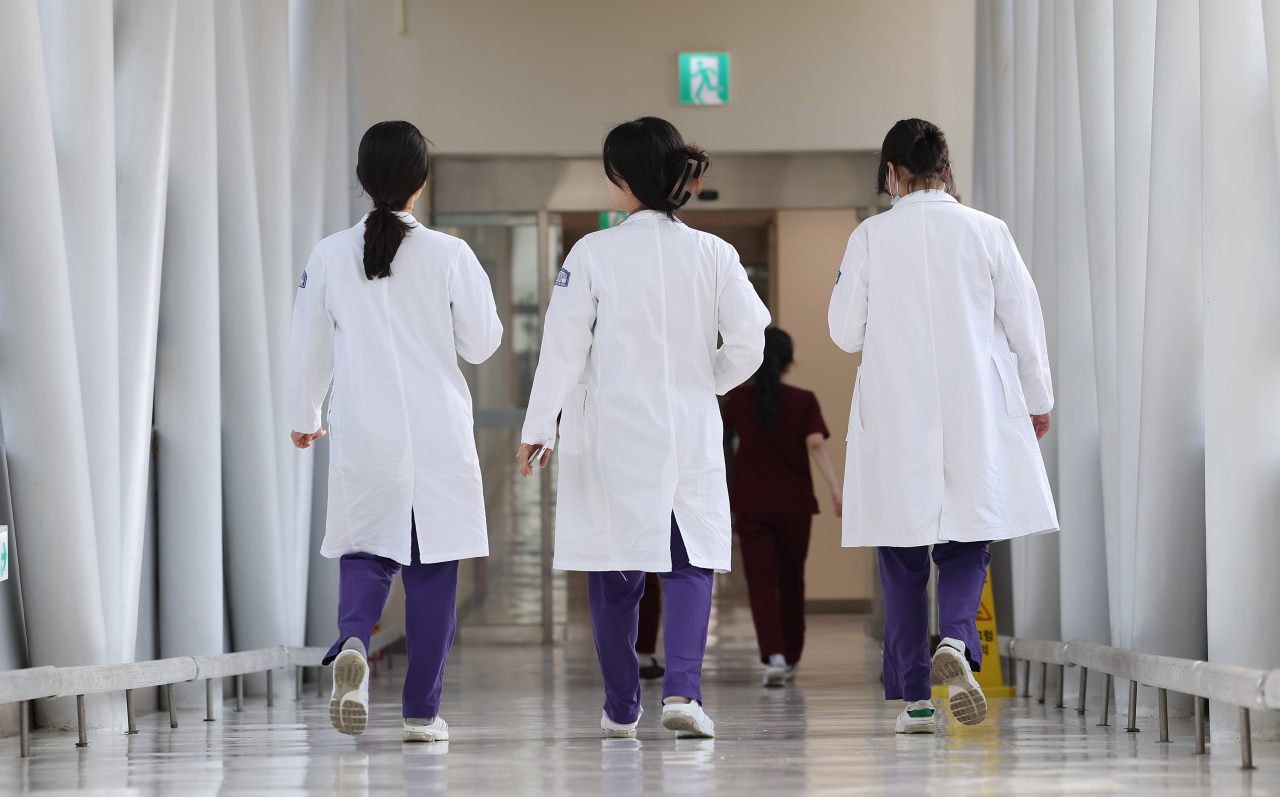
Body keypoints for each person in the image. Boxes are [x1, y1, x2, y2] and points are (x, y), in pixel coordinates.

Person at [517, 116, 770, 740]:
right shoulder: (715, 253)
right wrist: (704, 380)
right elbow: (749, 340)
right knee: (688, 563)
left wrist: (539, 426)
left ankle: (622, 705)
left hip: (613, 432)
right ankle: (682, 692)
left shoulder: (593, 253)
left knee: (613, 568)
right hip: (687, 430)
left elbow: (563, 349)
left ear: (624, 177)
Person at [828, 119, 1056, 735]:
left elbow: (844, 330)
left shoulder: (870, 237)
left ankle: (916, 703)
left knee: (902, 556)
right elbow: (1024, 323)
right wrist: (1038, 398)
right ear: (946, 168)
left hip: (897, 408)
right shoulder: (988, 232)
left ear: (891, 173)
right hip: (972, 404)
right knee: (968, 539)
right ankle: (955, 641)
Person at [290, 120, 502, 742]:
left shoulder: (329, 253)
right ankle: (420, 714)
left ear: (363, 179)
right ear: (421, 180)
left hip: (364, 427)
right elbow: (483, 344)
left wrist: (307, 417)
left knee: (365, 550)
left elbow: (310, 346)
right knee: (433, 571)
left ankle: (355, 640)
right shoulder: (449, 254)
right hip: (437, 432)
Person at [721, 327, 842, 687]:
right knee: (792, 581)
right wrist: (835, 489)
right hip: (795, 507)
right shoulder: (803, 400)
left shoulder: (738, 402)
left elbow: (718, 446)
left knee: (761, 583)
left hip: (752, 505)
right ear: (788, 360)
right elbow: (817, 445)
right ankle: (790, 657)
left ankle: (773, 656)